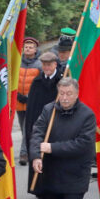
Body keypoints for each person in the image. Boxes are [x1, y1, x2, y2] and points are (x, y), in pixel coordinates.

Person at [30, 78, 96, 199]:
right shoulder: (49, 110)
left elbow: (82, 144)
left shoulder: (87, 115)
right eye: (62, 94)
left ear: (77, 94)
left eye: (69, 94)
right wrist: (35, 156)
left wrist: (51, 148)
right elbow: (37, 134)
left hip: (75, 174)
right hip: (53, 173)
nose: (65, 98)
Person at [24, 52, 63, 190]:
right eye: (44, 65)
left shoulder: (61, 82)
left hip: (56, 125)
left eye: (49, 65)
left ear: (55, 65)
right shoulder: (37, 81)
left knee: (52, 158)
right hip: (38, 124)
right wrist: (29, 127)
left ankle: (51, 188)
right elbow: (31, 107)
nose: (46, 67)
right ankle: (39, 189)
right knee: (37, 154)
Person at [16, 37, 43, 166]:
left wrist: (30, 96)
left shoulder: (39, 64)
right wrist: (16, 94)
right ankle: (28, 147)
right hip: (18, 101)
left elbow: (40, 83)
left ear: (35, 49)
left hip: (31, 101)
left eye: (30, 47)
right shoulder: (17, 63)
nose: (28, 49)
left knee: (28, 127)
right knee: (23, 128)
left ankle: (24, 154)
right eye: (26, 46)